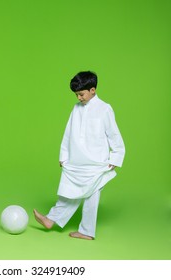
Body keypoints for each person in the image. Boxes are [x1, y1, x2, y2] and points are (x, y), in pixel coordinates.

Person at [34, 71, 125, 240]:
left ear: (93, 90)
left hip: (97, 164)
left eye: (81, 94)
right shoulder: (76, 109)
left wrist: (116, 157)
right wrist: (64, 155)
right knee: (68, 191)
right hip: (76, 161)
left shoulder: (105, 109)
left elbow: (114, 134)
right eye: (76, 95)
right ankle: (51, 219)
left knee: (91, 197)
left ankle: (86, 231)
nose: (79, 98)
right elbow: (68, 133)